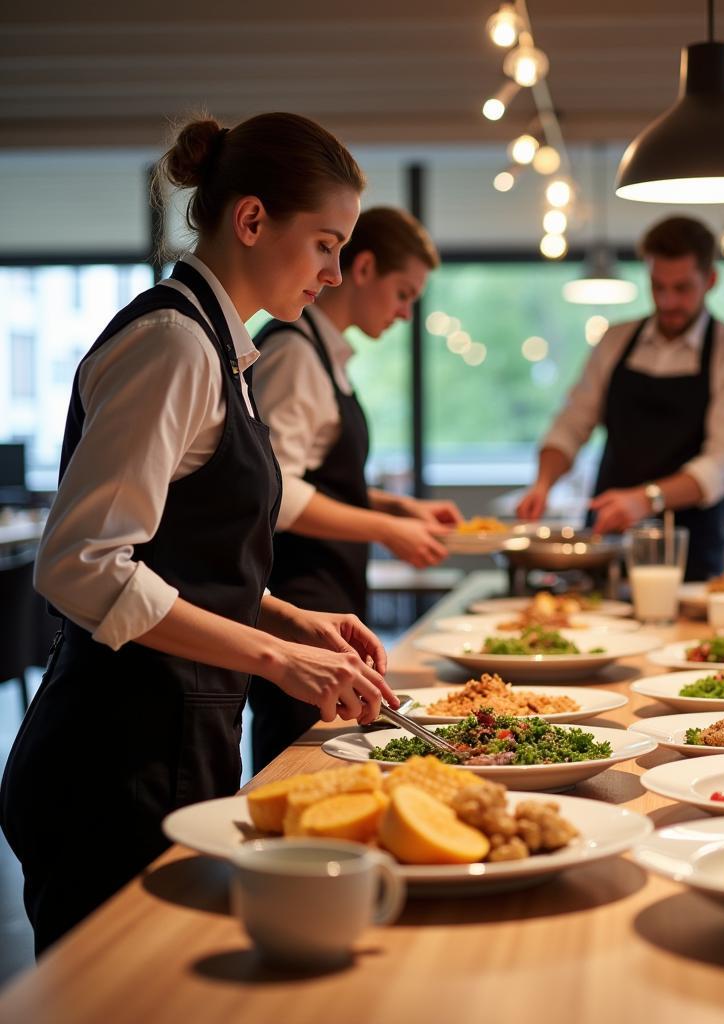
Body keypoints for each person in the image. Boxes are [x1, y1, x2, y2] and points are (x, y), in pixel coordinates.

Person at [0, 113, 398, 955]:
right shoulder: (174, 344)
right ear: (251, 221)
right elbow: (81, 565)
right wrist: (277, 658)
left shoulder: (223, 348)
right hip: (113, 758)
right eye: (325, 244)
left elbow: (182, 556)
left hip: (174, 736)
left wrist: (289, 618)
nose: (333, 273)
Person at [247, 206, 459, 772]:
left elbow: (320, 477)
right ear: (363, 269)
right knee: (295, 769)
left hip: (329, 598)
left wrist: (397, 506)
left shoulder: (325, 352)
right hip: (298, 600)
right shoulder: (293, 353)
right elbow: (278, 493)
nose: (406, 313)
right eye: (403, 294)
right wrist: (387, 527)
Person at [516, 216, 724, 580]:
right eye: (658, 286)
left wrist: (645, 500)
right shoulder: (616, 341)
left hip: (689, 549)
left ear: (710, 281)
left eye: (682, 288)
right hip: (606, 536)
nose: (668, 301)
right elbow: (572, 422)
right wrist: (543, 483)